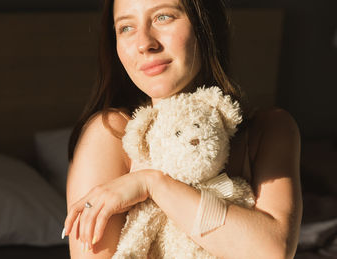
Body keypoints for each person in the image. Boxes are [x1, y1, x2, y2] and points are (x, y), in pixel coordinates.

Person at [62, 0, 302, 258]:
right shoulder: (110, 135)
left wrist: (153, 184)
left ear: (204, 23)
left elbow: (273, 252)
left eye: (163, 17)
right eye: (126, 28)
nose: (145, 44)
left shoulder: (270, 130)